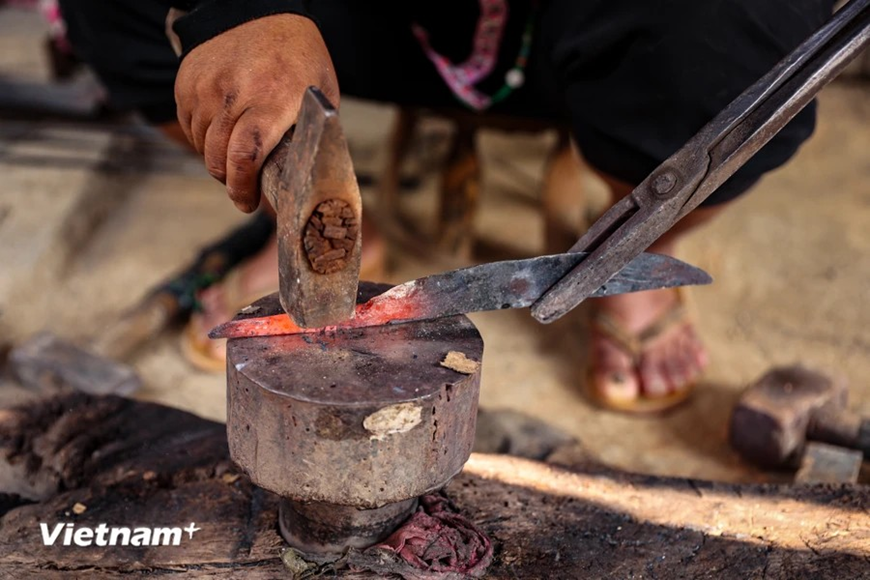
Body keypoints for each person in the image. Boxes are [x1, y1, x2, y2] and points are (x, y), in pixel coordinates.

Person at [57, 0, 833, 412]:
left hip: (581, 27)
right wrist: (242, 9)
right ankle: (312, 225)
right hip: (374, 18)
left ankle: (632, 238)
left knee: (741, 49)